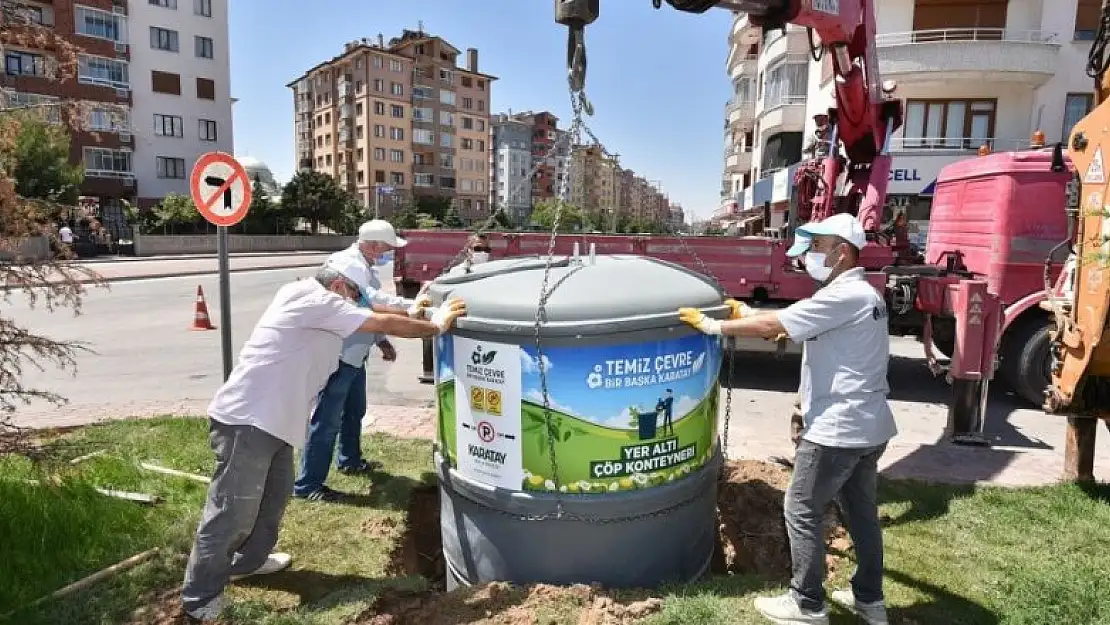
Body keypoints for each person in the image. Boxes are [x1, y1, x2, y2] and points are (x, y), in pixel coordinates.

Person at [180, 265, 466, 622]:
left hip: (275, 424)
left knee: (273, 502)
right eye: (355, 295)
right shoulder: (312, 299)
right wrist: (435, 326)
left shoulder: (316, 300)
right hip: (247, 421)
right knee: (231, 513)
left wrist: (409, 309)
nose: (357, 303)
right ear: (339, 286)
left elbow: (374, 312)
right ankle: (199, 598)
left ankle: (248, 562)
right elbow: (378, 323)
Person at [677, 212, 896, 625]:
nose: (809, 256)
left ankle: (806, 604)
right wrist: (745, 313)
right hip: (869, 425)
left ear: (843, 253)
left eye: (817, 248)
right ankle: (870, 600)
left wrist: (714, 325)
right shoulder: (864, 295)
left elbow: (779, 322)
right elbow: (805, 325)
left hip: (838, 428)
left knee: (800, 508)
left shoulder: (842, 297)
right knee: (862, 512)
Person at [292, 219, 417, 499]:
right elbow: (371, 303)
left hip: (355, 354)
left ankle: (349, 460)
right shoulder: (350, 265)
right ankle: (308, 485)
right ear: (373, 245)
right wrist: (415, 308)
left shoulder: (363, 266)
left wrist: (381, 340)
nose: (389, 253)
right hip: (338, 356)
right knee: (326, 420)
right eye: (387, 247)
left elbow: (366, 314)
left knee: (354, 411)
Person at [419, 233, 493, 382]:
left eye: (487, 249)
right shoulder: (457, 273)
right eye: (478, 248)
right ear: (468, 250)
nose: (483, 253)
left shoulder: (492, 272)